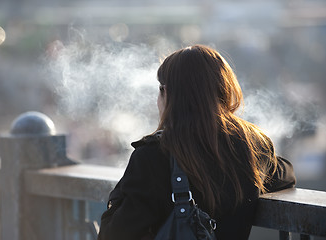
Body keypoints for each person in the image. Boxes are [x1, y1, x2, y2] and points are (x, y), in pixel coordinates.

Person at [97, 45, 296, 240]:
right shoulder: (253, 145)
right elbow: (284, 174)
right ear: (223, 89)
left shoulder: (153, 156)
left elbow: (114, 233)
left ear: (167, 93)